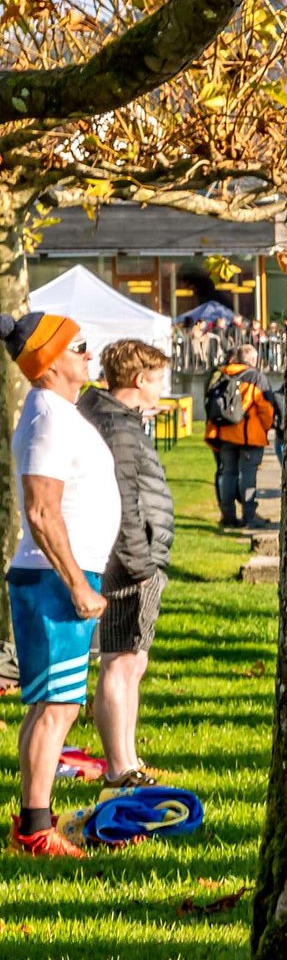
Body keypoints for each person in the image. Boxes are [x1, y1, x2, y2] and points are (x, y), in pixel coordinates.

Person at [5, 315, 112, 858]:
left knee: (52, 703)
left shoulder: (57, 413)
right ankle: (35, 830)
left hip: (56, 575)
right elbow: (42, 510)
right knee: (57, 708)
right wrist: (77, 584)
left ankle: (31, 821)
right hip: (53, 578)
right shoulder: (48, 415)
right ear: (49, 361)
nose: (90, 355)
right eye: (81, 346)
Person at [77, 339, 175, 790]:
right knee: (121, 660)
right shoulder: (117, 427)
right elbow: (123, 503)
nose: (162, 388)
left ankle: (127, 759)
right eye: (158, 379)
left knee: (132, 661)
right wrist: (141, 564)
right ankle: (119, 767)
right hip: (129, 562)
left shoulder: (119, 420)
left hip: (133, 557)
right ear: (139, 380)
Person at [204, 341, 280, 529]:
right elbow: (266, 409)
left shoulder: (223, 374)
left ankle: (228, 516)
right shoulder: (256, 377)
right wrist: (264, 427)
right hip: (248, 435)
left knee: (227, 474)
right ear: (253, 359)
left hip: (224, 433)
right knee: (248, 475)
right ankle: (249, 515)